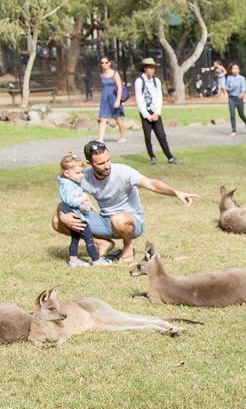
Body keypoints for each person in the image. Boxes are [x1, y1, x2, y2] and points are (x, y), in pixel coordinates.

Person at [51, 141, 198, 263]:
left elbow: (151, 183)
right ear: (89, 164)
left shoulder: (123, 171)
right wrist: (63, 215)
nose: (107, 165)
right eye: (101, 163)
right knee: (57, 221)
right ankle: (102, 243)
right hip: (105, 221)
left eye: (108, 160)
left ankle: (128, 246)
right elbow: (66, 199)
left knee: (119, 219)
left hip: (131, 223)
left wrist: (175, 192)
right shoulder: (83, 175)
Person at [57, 153, 110, 267]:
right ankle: (96, 260)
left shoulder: (71, 183)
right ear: (66, 173)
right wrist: (82, 198)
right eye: (77, 173)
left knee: (75, 239)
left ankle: (73, 260)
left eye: (82, 172)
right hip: (77, 217)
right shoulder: (67, 187)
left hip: (76, 215)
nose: (81, 175)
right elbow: (69, 200)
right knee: (88, 238)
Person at [134, 58, 179, 165]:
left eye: (153, 68)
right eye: (149, 68)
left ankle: (169, 156)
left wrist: (157, 112)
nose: (152, 70)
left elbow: (159, 97)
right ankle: (152, 156)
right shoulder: (139, 81)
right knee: (148, 136)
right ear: (145, 68)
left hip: (155, 112)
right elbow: (139, 99)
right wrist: (146, 114)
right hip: (146, 112)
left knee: (161, 135)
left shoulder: (156, 81)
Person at [97, 56, 126, 143]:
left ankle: (122, 136)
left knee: (117, 118)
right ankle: (101, 138)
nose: (104, 64)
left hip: (113, 97)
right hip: (104, 97)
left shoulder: (114, 73)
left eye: (106, 62)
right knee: (103, 118)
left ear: (109, 63)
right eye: (102, 63)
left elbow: (119, 87)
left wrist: (118, 100)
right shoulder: (101, 75)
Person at [225, 63, 246, 136]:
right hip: (231, 98)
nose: (235, 70)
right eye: (233, 68)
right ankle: (234, 130)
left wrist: (241, 94)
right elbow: (226, 88)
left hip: (239, 98)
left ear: (239, 70)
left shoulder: (241, 78)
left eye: (236, 68)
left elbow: (243, 89)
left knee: (241, 114)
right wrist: (230, 89)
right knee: (232, 114)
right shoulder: (229, 78)